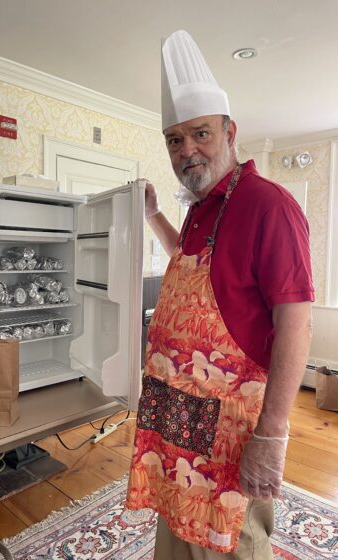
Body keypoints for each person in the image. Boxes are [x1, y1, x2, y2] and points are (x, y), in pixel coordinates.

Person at [126, 30, 314, 559]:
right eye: (174, 139)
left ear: (231, 132)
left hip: (231, 433)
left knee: (229, 545)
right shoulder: (199, 208)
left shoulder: (268, 205)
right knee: (178, 540)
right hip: (176, 420)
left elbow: (297, 325)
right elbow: (187, 262)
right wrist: (154, 215)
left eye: (200, 134)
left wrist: (272, 437)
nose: (188, 150)